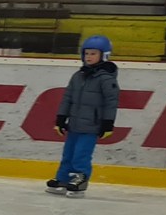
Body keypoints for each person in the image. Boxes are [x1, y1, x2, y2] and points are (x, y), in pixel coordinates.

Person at [47, 34, 119, 196]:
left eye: (93, 53)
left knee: (81, 154)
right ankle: (63, 178)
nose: (89, 57)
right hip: (74, 124)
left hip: (91, 125)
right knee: (68, 153)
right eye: (86, 53)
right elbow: (67, 98)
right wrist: (61, 119)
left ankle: (80, 178)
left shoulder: (106, 78)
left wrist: (108, 123)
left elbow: (111, 102)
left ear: (104, 55)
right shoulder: (78, 76)